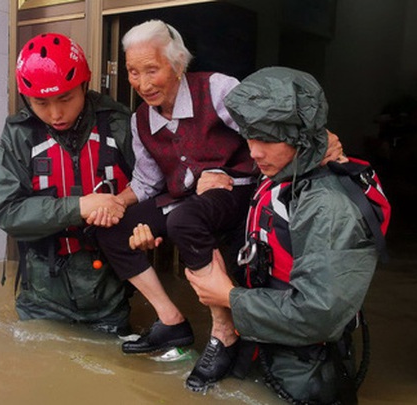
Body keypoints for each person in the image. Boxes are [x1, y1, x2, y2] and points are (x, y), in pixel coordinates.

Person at [93, 20, 343, 392]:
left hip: (235, 187)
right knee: (114, 229)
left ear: (177, 64)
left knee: (184, 220)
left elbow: (270, 129)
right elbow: (148, 182)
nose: (143, 83)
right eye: (133, 72)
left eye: (152, 69)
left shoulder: (217, 88)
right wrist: (115, 203)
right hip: (183, 197)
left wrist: (320, 142)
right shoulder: (140, 120)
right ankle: (171, 322)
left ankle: (224, 332)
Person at [185, 67, 385, 404]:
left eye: (266, 139)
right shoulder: (283, 168)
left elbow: (319, 314)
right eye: (250, 136)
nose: (254, 152)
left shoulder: (329, 205)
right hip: (263, 342)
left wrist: (228, 297)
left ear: (302, 138)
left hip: (305, 370)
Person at [0, 33, 134, 335]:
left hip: (110, 293)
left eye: (66, 98)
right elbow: (7, 212)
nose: (55, 114)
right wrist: (79, 206)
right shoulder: (19, 134)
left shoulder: (119, 123)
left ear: (85, 84)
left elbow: (152, 187)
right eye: (40, 103)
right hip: (41, 298)